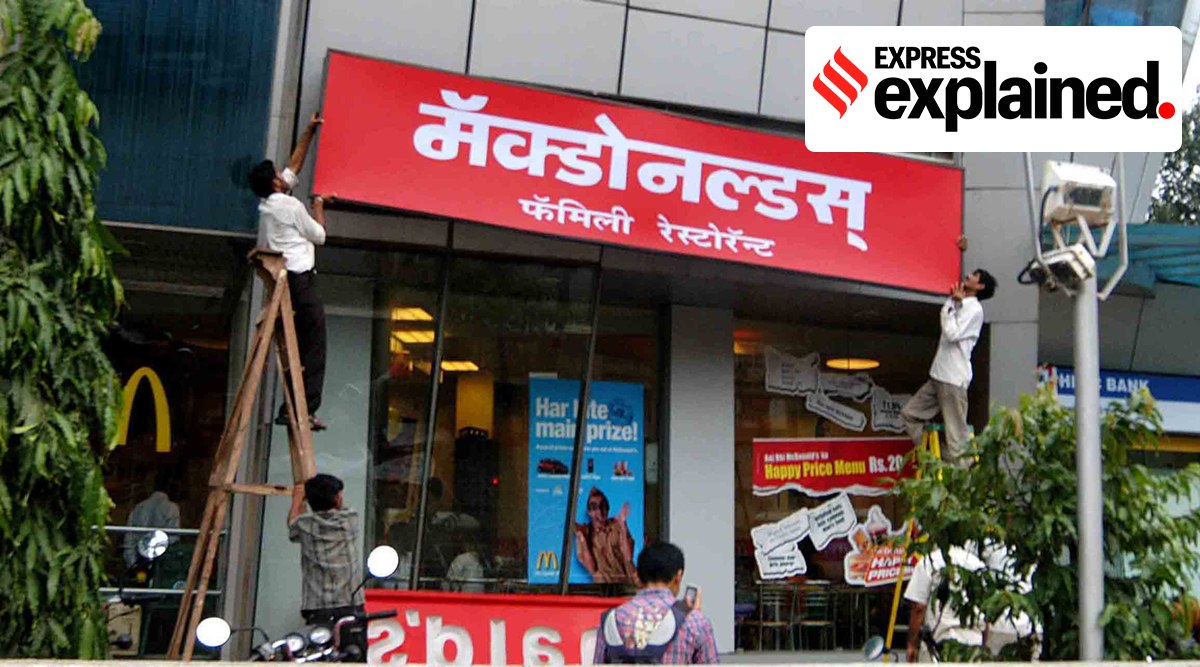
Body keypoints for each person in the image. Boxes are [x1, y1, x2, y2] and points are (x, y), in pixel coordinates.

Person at [250, 112, 333, 432]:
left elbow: (293, 166)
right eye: (277, 174)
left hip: (289, 280)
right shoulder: (288, 206)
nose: (283, 174)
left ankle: (293, 407)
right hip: (300, 278)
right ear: (274, 182)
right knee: (315, 343)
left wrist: (310, 131)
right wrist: (319, 205)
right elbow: (320, 236)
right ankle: (302, 409)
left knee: (301, 344)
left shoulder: (274, 202)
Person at [901, 236, 997, 467]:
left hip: (953, 378)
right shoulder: (961, 300)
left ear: (980, 286)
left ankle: (961, 477)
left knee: (957, 439)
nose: (968, 276)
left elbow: (952, 333)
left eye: (974, 276)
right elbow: (956, 279)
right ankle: (934, 458)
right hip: (939, 375)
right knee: (909, 414)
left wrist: (951, 306)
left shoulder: (974, 309)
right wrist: (960, 250)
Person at [903, 542, 1037, 662]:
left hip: (939, 642)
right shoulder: (977, 565)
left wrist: (911, 644)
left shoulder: (929, 562)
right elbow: (986, 609)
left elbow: (919, 608)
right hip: (973, 641)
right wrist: (984, 642)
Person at [593, 541, 719, 664]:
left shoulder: (611, 620)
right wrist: (694, 616)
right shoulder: (696, 622)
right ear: (678, 576)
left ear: (638, 577)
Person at [288, 474, 364, 637]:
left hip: (317, 607)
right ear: (337, 499)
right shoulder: (349, 518)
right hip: (349, 604)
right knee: (353, 654)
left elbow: (292, 524)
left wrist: (297, 500)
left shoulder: (304, 525)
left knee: (318, 655)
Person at [575, 487, 636, 584]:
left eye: (602, 506)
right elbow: (592, 569)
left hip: (627, 586)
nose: (599, 511)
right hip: (604, 591)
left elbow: (628, 556)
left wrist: (623, 524)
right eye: (594, 507)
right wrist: (583, 539)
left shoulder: (618, 525)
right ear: (589, 512)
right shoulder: (584, 533)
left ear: (608, 509)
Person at [123, 473, 181, 567]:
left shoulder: (138, 508)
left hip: (138, 559)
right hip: (162, 563)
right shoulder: (172, 508)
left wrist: (132, 563)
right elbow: (174, 539)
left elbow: (129, 538)